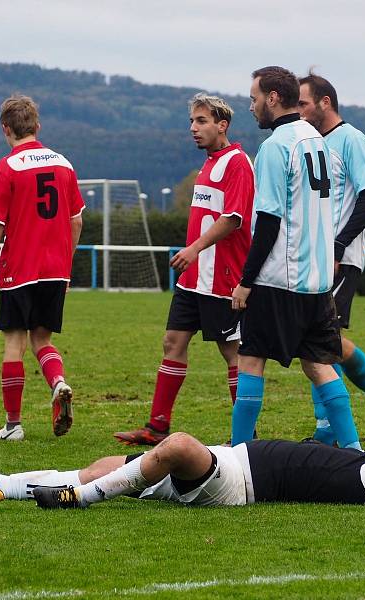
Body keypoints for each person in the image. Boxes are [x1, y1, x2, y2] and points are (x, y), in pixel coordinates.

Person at [230, 66, 360, 450]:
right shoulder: (318, 140)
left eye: (254, 98)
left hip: (279, 277)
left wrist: (245, 281)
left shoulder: (275, 146)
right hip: (318, 280)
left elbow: (268, 221)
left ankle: (239, 453)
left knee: (251, 359)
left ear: (272, 98)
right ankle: (353, 452)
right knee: (319, 365)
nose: (251, 107)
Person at [113, 95, 254, 446]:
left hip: (222, 277)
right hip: (194, 278)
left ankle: (247, 439)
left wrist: (194, 248)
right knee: (172, 342)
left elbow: (234, 220)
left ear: (222, 125)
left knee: (232, 352)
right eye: (192, 121)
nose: (194, 128)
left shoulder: (237, 163)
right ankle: (157, 426)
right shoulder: (209, 164)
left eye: (202, 121)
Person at [0, 417, 365, 509]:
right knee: (104, 465)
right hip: (228, 461)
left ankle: (79, 501)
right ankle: (0, 485)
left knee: (175, 445)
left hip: (232, 484)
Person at [297, 72, 365, 440]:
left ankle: (328, 433)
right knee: (322, 341)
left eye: (304, 103)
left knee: (319, 343)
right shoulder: (309, 141)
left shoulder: (353, 140)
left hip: (341, 257)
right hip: (315, 258)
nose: (299, 110)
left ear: (325, 102)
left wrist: (338, 246)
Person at [0, 94, 84, 441]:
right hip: (56, 268)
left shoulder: (5, 169)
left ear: (5, 128)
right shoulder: (64, 164)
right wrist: (66, 266)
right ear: (37, 126)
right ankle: (58, 382)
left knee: (14, 342)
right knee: (42, 339)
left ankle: (13, 425)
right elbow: (77, 220)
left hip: (19, 268)